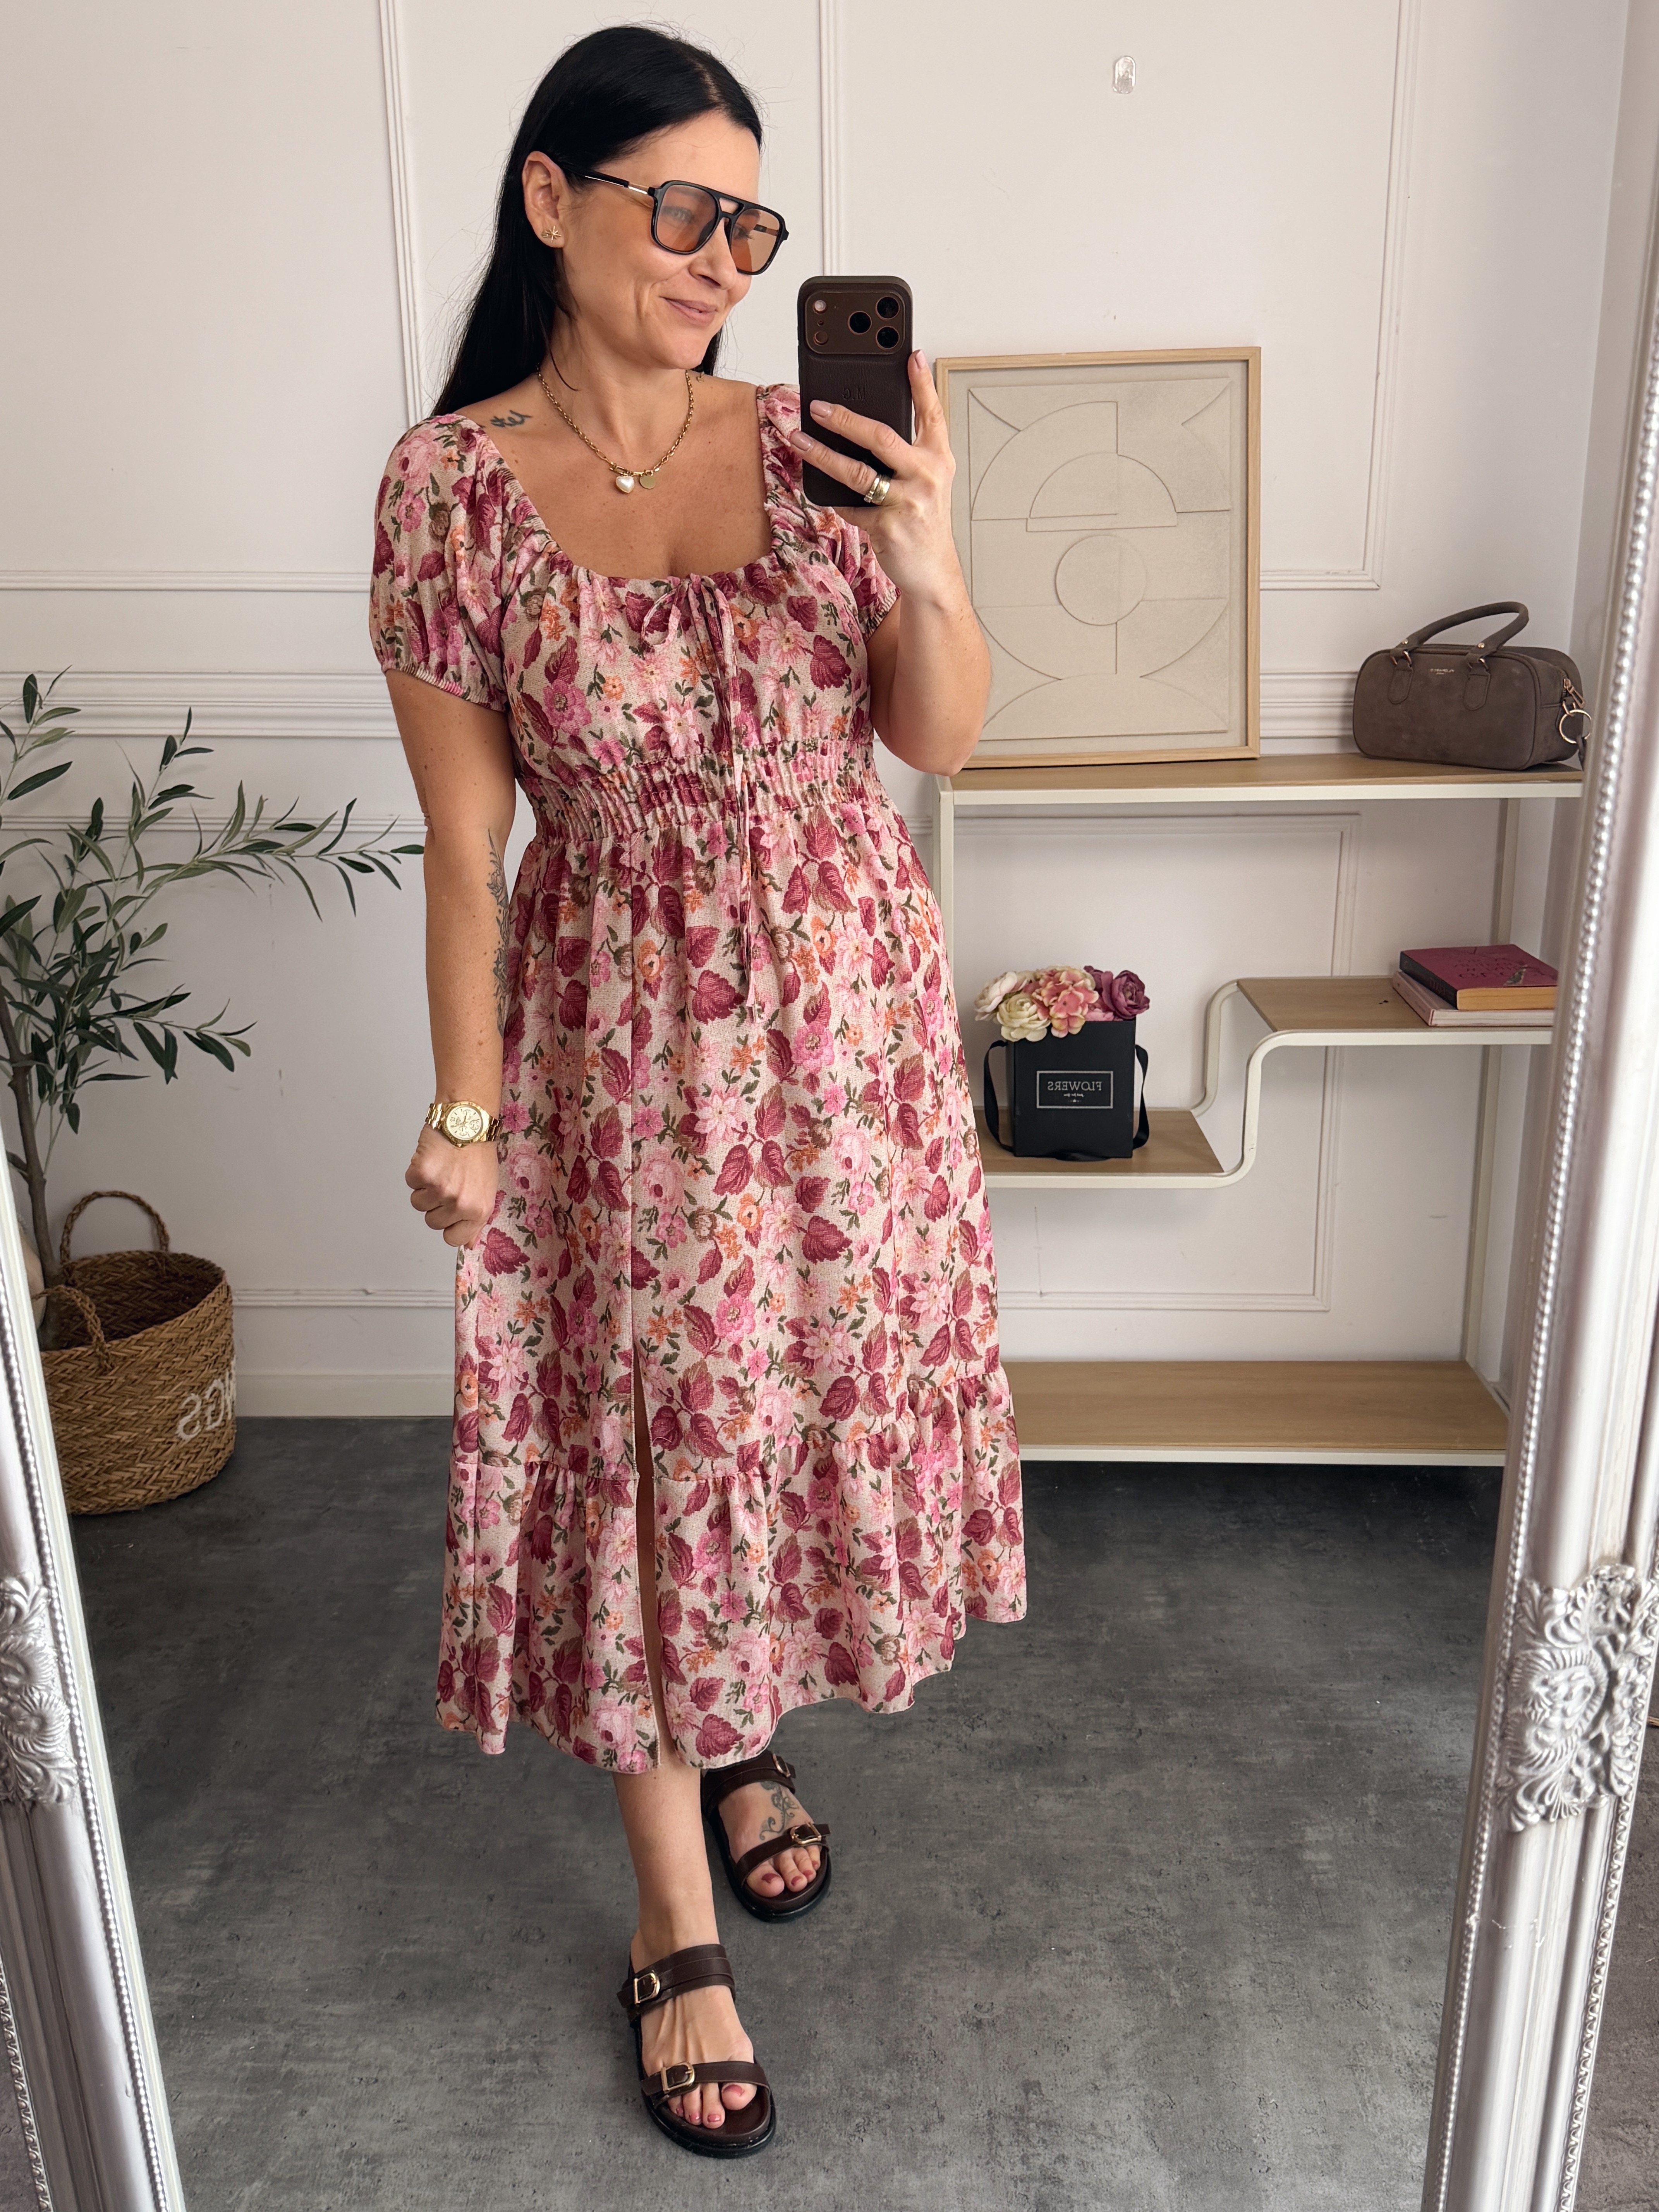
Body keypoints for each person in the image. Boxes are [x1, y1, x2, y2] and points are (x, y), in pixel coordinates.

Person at [370, 23, 1024, 2159]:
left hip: (846, 1035)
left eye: (749, 225)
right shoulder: (450, 490)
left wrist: (927, 547)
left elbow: (939, 736)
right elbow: (466, 850)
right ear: (549, 199)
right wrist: (467, 1109)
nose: (719, 260)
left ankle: (743, 1739)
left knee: (784, 1412)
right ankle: (675, 1923)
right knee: (648, 1450)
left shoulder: (821, 439)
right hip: (615, 1049)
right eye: (680, 208)